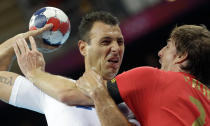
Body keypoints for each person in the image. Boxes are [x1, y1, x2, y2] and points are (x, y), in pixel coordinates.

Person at [11, 11, 140, 126]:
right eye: (105, 42)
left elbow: (66, 94)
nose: (116, 49)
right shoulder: (49, 90)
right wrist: (19, 40)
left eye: (120, 42)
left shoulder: (133, 98)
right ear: (83, 48)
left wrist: (34, 73)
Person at [75, 25, 210, 126]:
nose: (160, 52)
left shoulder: (154, 78)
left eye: (168, 47)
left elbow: (72, 93)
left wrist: (99, 93)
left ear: (181, 56)